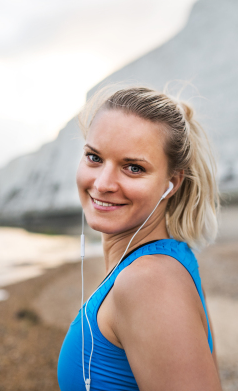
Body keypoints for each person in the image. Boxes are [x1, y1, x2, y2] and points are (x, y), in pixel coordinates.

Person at [58, 86, 222, 391]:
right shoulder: (164, 261)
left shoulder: (149, 281)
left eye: (133, 168)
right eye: (94, 157)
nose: (103, 183)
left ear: (170, 184)